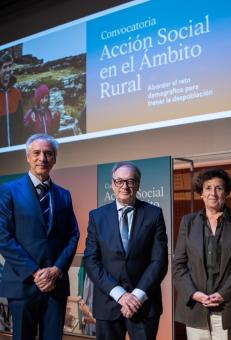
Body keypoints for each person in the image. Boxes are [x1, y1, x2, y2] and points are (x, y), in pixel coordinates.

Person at [0, 133, 80, 340]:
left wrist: (56, 270)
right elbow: (3, 236)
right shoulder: (8, 190)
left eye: (48, 153)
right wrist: (35, 273)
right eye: (36, 153)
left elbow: (73, 235)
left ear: (55, 159)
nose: (42, 158)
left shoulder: (64, 195)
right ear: (28, 157)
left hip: (56, 286)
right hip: (23, 284)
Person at [84, 161, 168, 340]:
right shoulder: (97, 217)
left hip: (144, 304)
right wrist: (120, 294)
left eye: (130, 181)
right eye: (119, 181)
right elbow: (91, 260)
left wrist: (137, 296)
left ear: (138, 184)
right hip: (108, 302)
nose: (125, 186)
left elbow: (159, 261)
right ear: (112, 184)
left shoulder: (154, 214)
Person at [173, 168, 231, 340]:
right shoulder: (188, 222)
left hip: (229, 307)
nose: (213, 193)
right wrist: (194, 293)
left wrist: (223, 294)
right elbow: (179, 265)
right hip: (196, 307)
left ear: (226, 193)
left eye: (219, 188)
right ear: (201, 193)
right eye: (208, 188)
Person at [0, 51, 24, 147]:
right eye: (5, 67)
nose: (8, 69)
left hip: (15, 147)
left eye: (10, 66)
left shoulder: (16, 93)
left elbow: (20, 123)